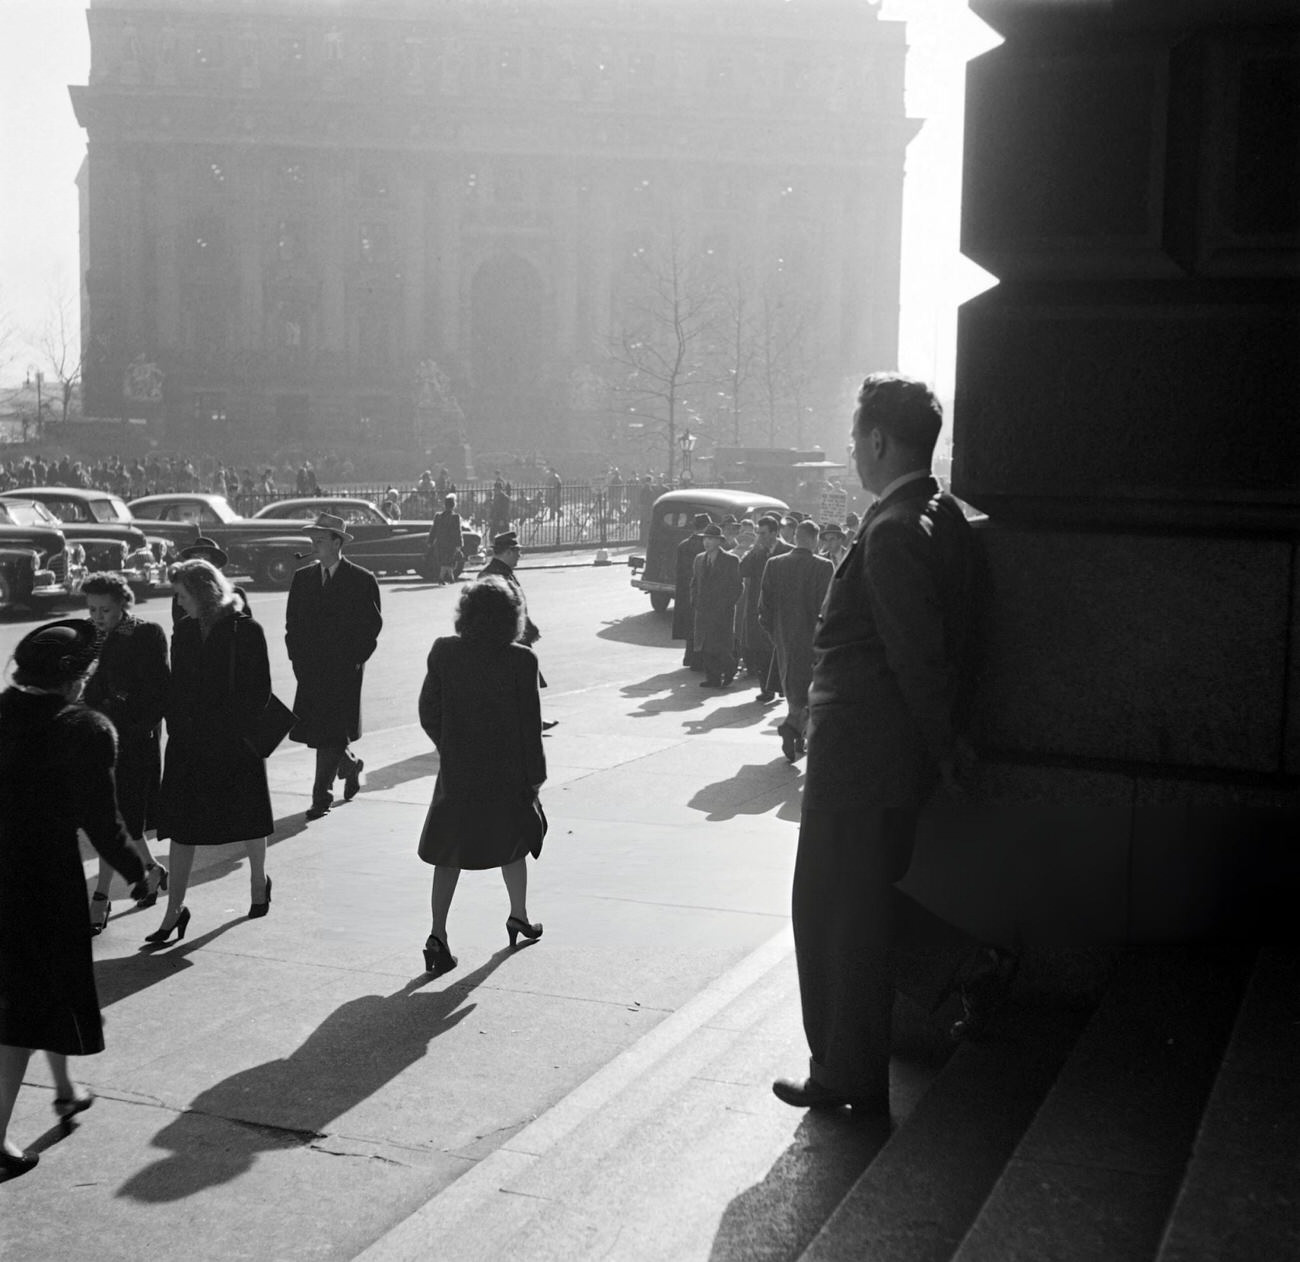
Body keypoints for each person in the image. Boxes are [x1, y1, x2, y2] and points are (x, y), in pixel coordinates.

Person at [773, 373, 1014, 1118]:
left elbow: (917, 655)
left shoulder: (891, 532)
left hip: (862, 759)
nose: (850, 451)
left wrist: (942, 747)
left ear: (878, 441)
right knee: (863, 904)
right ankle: (959, 970)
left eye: (853, 438)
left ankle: (846, 1071)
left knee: (826, 908)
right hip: (881, 754)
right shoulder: (936, 516)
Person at [0, 620, 165, 1180]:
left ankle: (67, 1091)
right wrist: (139, 873)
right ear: (75, 678)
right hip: (40, 884)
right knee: (22, 1011)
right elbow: (102, 821)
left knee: (44, 994)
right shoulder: (84, 730)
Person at [416, 576, 546, 974]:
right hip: (505, 770)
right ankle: (518, 916)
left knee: (447, 852)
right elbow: (531, 726)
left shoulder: (445, 652)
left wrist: (449, 745)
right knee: (514, 844)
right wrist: (535, 777)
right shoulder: (521, 659)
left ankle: (437, 934)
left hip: (459, 770)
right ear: (512, 617)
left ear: (466, 613)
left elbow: (428, 710)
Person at [149, 560, 275, 942]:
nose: (178, 602)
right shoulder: (184, 632)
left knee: (249, 817)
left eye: (183, 595)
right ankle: (174, 910)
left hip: (233, 742)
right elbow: (176, 685)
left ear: (203, 593)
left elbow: (260, 690)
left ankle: (258, 880)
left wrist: (235, 732)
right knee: (183, 829)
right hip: (190, 742)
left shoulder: (245, 630)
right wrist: (175, 724)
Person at [82, 573, 170, 934]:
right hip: (96, 738)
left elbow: (159, 690)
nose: (98, 616)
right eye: (92, 609)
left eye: (105, 609)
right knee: (115, 820)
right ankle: (151, 869)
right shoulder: (89, 636)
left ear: (124, 604)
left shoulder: (147, 634)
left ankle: (100, 897)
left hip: (133, 741)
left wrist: (132, 720)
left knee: (117, 819)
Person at [286, 513, 383, 821]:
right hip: (311, 670)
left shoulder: (361, 579)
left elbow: (371, 628)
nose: (314, 545)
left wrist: (354, 660)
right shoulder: (303, 579)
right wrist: (297, 661)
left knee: (330, 732)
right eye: (312, 540)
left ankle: (320, 796)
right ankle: (350, 764)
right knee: (323, 731)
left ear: (337, 543)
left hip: (343, 671)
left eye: (321, 540)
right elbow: (293, 626)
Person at [760, 520, 833, 760]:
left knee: (794, 692)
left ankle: (796, 733)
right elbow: (828, 607)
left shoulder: (774, 564)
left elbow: (764, 608)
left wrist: (776, 635)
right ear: (814, 539)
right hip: (814, 640)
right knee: (812, 693)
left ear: (796, 538)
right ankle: (792, 730)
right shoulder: (823, 566)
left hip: (784, 640)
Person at [738, 516, 788, 701]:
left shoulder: (787, 551)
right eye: (758, 533)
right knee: (761, 650)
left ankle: (781, 686)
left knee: (778, 650)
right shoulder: (757, 552)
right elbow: (742, 570)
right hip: (760, 608)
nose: (760, 537)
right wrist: (753, 551)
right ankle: (766, 689)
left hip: (780, 610)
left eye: (764, 533)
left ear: (775, 533)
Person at [690, 524, 743, 688]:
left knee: (720, 645)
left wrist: (728, 604)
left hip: (722, 610)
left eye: (711, 539)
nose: (707, 542)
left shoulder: (731, 560)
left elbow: (737, 586)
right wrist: (694, 601)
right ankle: (712, 677)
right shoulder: (699, 559)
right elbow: (694, 582)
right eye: (705, 538)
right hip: (703, 609)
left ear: (719, 541)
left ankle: (729, 669)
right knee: (705, 645)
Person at [672, 513, 711, 669]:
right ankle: (698, 659)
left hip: (685, 589)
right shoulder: (706, 546)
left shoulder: (683, 545)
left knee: (689, 625)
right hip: (701, 589)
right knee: (700, 625)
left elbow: (679, 570)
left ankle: (689, 657)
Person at [427, 494, 464, 584]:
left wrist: (430, 541)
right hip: (451, 543)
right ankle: (441, 578)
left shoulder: (438, 516)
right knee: (449, 561)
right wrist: (460, 544)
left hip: (440, 543)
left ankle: (450, 577)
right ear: (454, 505)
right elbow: (458, 532)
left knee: (446, 561)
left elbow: (433, 529)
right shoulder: (456, 517)